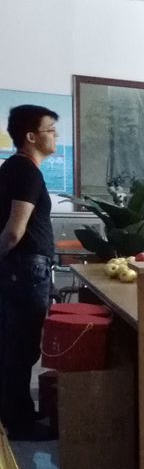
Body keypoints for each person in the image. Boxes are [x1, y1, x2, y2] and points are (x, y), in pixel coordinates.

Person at [0, 105, 59, 441]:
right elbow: (13, 231)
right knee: (22, 347)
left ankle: (13, 412)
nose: (55, 135)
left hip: (17, 269)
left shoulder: (13, 168)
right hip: (24, 269)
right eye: (50, 129)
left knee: (12, 344)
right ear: (31, 136)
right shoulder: (26, 172)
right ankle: (20, 423)